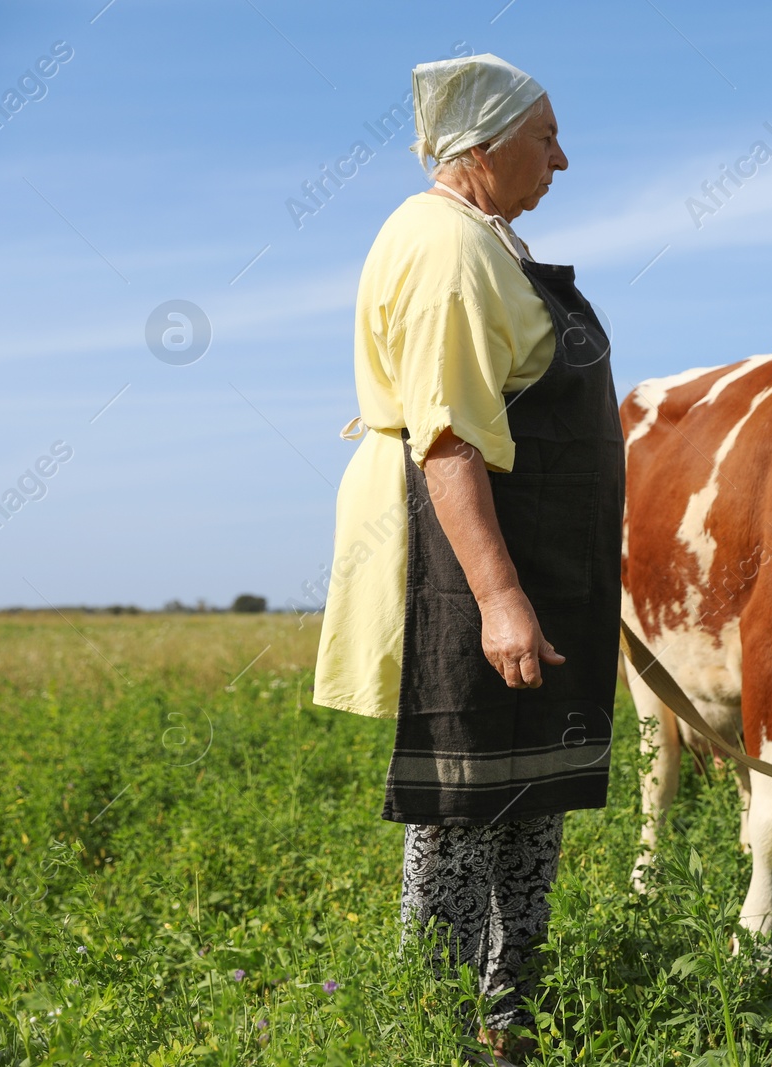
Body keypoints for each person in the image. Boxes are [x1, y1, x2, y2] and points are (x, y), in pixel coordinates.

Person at [312, 53, 623, 1064]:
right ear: (480, 149)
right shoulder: (446, 248)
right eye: (546, 138)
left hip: (540, 553)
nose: (563, 160)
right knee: (462, 802)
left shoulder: (485, 238)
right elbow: (447, 438)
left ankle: (508, 1021)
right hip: (474, 557)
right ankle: (430, 1033)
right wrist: (498, 597)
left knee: (530, 798)